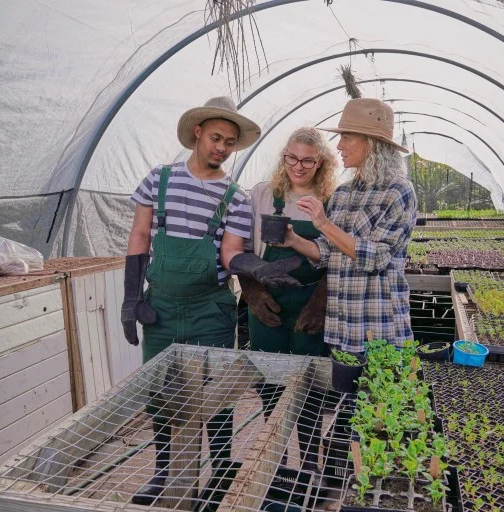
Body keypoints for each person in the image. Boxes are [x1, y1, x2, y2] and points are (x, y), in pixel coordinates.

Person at [121, 96, 301, 505]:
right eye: (216, 137)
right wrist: (131, 299)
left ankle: (220, 470)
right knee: (160, 394)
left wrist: (257, 268)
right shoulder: (159, 179)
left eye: (230, 142)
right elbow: (139, 236)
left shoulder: (234, 198)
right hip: (161, 308)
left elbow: (228, 253)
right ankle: (164, 473)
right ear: (198, 133)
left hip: (210, 310)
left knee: (216, 396)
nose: (222, 147)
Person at [278, 98, 417, 354]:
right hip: (341, 328)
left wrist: (323, 223)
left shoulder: (398, 191)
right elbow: (329, 252)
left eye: (347, 137)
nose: (339, 145)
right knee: (344, 394)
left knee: (379, 392)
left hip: (379, 326)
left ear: (372, 144)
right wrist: (294, 241)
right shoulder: (343, 193)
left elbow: (377, 257)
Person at [241, 127, 338, 472]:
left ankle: (310, 464)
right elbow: (242, 249)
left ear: (321, 163)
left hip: (309, 308)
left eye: (308, 160)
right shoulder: (262, 195)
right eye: (292, 158)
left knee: (309, 384)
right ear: (283, 157)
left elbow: (339, 256)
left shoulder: (333, 201)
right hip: (268, 304)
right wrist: (251, 291)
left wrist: (322, 300)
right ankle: (277, 465)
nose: (298, 166)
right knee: (270, 382)